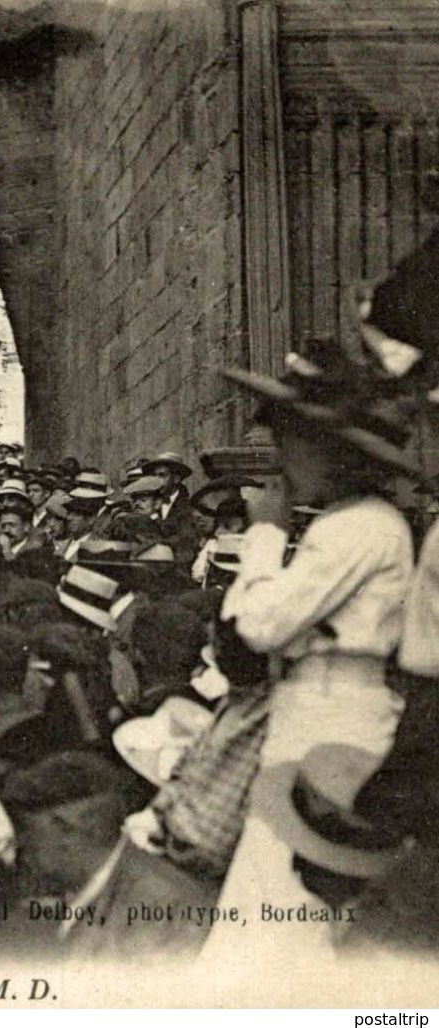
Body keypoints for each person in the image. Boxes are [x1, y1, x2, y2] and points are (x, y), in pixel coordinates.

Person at [202, 344, 419, 963]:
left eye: (291, 441)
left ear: (331, 450)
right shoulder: (351, 524)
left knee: (287, 895)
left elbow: (261, 624)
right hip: (315, 715)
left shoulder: (358, 527)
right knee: (274, 892)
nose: (282, 459)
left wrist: (265, 533)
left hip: (334, 723)